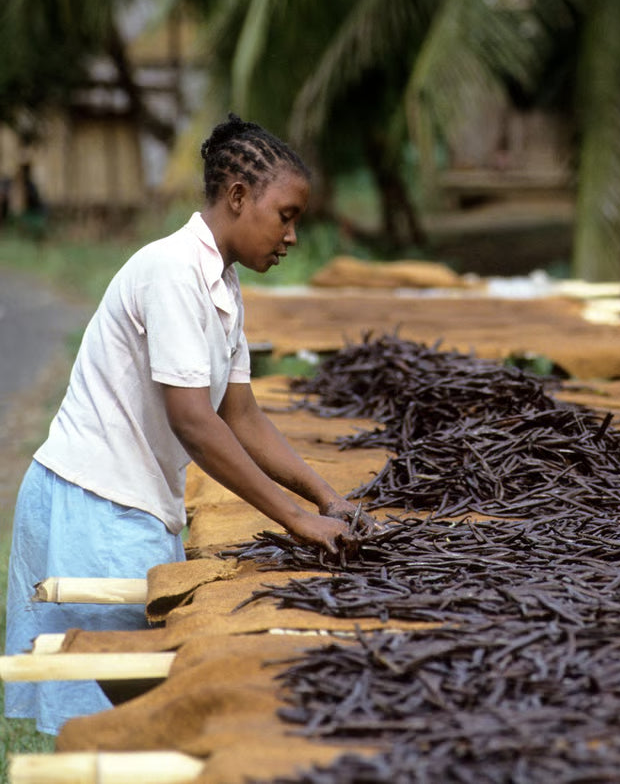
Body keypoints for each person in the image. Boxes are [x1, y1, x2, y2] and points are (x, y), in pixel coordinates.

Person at [5, 114, 357, 734]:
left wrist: (325, 496)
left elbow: (240, 414)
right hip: (96, 504)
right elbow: (194, 421)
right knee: (111, 726)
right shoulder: (171, 271)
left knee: (134, 714)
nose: (292, 236)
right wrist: (296, 519)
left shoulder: (222, 282)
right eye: (286, 216)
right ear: (238, 196)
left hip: (131, 504)